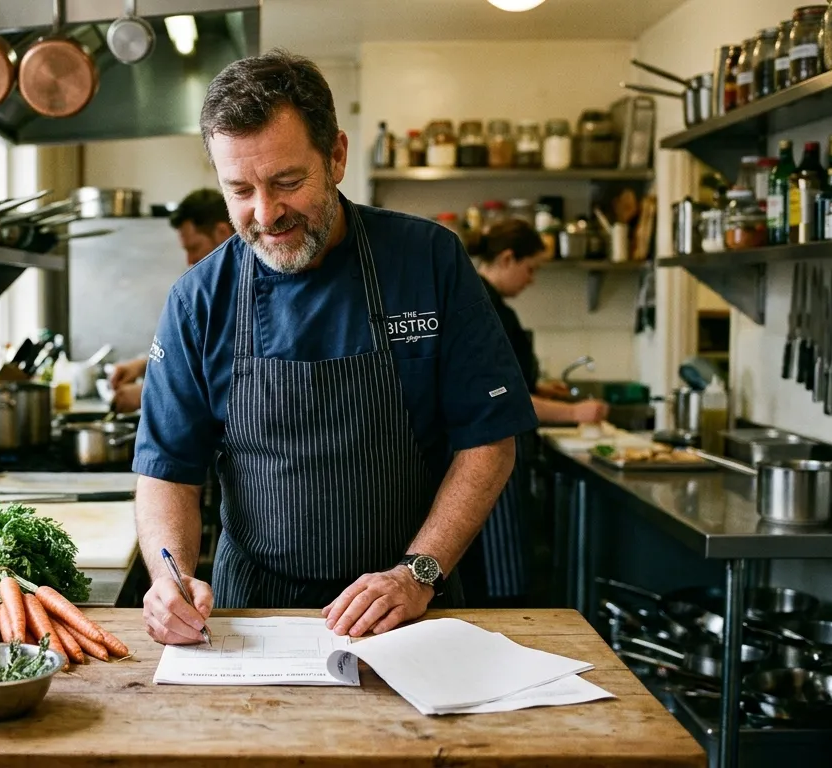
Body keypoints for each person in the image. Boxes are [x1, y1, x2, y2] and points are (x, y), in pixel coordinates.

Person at [134, 50, 538, 646]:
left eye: (288, 182)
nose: (266, 214)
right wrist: (170, 577)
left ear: (337, 156)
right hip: (253, 620)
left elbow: (489, 441)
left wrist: (417, 574)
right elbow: (167, 468)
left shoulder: (429, 262)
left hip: (407, 608)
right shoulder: (198, 300)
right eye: (239, 189)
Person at [469, 220, 609, 607]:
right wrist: (576, 412)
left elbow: (505, 382)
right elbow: (500, 398)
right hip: (493, 452)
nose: (532, 280)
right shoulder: (488, 308)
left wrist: (541, 387)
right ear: (507, 258)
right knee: (503, 580)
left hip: (497, 451)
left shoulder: (483, 302)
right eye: (531, 268)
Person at [108, 189, 235, 413]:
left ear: (223, 232)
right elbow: (200, 358)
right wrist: (143, 366)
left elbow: (232, 381)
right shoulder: (213, 290)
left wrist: (148, 393)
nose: (189, 260)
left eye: (194, 248)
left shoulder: (247, 292)